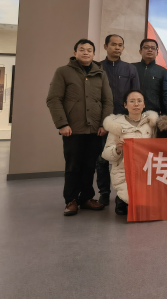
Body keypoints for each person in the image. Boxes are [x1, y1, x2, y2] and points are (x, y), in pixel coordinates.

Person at [46, 39, 113, 216]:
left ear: (94, 54)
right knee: (73, 166)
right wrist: (62, 124)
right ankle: (71, 200)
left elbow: (107, 101)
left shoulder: (100, 73)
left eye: (89, 50)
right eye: (82, 49)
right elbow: (53, 99)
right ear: (75, 53)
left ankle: (86, 198)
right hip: (72, 129)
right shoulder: (63, 72)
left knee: (90, 166)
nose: (86, 52)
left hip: (95, 129)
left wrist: (104, 124)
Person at [97, 34, 140, 206]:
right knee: (102, 159)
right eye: (113, 44)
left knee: (126, 160)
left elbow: (135, 95)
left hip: (124, 121)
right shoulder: (97, 67)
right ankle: (104, 193)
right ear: (105, 46)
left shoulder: (130, 69)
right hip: (103, 121)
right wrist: (101, 122)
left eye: (120, 45)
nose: (117, 47)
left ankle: (124, 196)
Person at [102, 90, 157, 215]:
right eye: (132, 101)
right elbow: (105, 153)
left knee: (148, 206)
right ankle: (121, 199)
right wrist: (117, 149)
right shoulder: (116, 126)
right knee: (131, 201)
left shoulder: (151, 124)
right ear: (125, 105)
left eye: (139, 101)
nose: (136, 104)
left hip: (146, 170)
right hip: (124, 170)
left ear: (144, 104)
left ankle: (128, 200)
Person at [132, 38, 166, 114]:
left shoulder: (163, 71)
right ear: (140, 51)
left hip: (153, 113)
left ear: (157, 52)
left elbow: (164, 95)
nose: (150, 50)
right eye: (146, 47)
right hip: (131, 111)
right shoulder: (131, 68)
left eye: (153, 48)